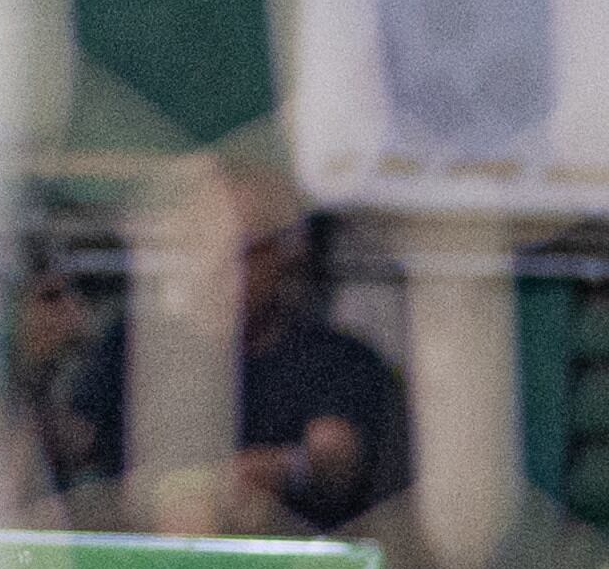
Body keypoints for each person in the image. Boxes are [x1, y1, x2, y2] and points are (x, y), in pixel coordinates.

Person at [52, 198, 410, 537]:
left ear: (282, 255)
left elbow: (334, 457)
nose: (214, 266)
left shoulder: (337, 357)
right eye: (198, 246)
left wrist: (272, 471)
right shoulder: (132, 343)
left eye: (241, 250)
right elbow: (74, 441)